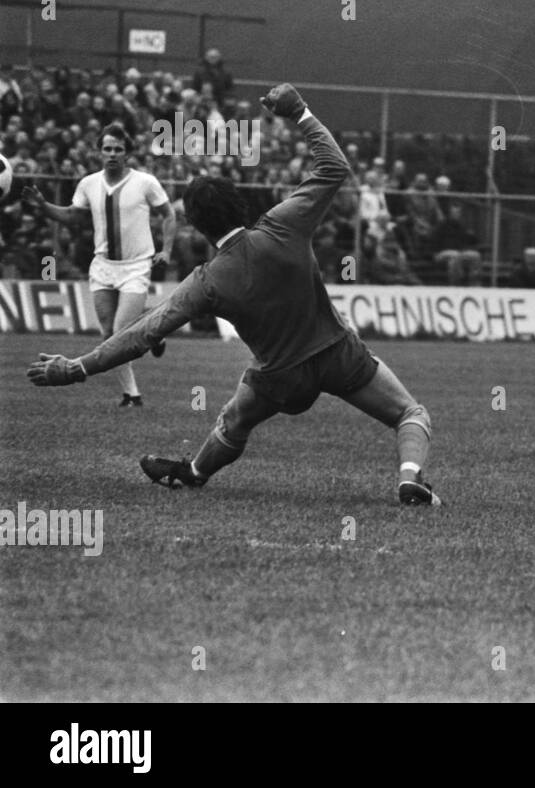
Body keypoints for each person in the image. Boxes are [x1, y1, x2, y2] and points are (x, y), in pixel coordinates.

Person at [25, 84, 439, 506]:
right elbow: (334, 166)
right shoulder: (283, 224)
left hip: (280, 378)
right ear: (238, 204)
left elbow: (142, 333)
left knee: (236, 419)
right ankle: (410, 478)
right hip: (338, 353)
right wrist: (299, 113)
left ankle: (194, 472)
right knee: (410, 413)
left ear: (197, 226)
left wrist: (77, 367)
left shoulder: (207, 281)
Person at [22, 123, 174, 407]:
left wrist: (166, 250)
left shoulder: (145, 182)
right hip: (103, 266)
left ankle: (149, 345)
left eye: (118, 149)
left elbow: (168, 215)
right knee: (108, 335)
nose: (112, 154)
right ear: (99, 151)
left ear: (127, 153)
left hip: (136, 265)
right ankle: (132, 393)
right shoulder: (89, 184)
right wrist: (43, 205)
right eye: (107, 148)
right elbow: (72, 217)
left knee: (119, 331)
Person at [431, 201, 482, 285]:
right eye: (454, 212)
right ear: (450, 213)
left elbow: (471, 240)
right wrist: (436, 253)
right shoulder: (442, 226)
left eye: (458, 212)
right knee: (455, 256)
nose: (456, 214)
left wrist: (472, 235)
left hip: (459, 253)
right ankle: (456, 284)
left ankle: (475, 284)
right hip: (441, 253)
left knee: (475, 255)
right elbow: (434, 243)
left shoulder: (461, 227)